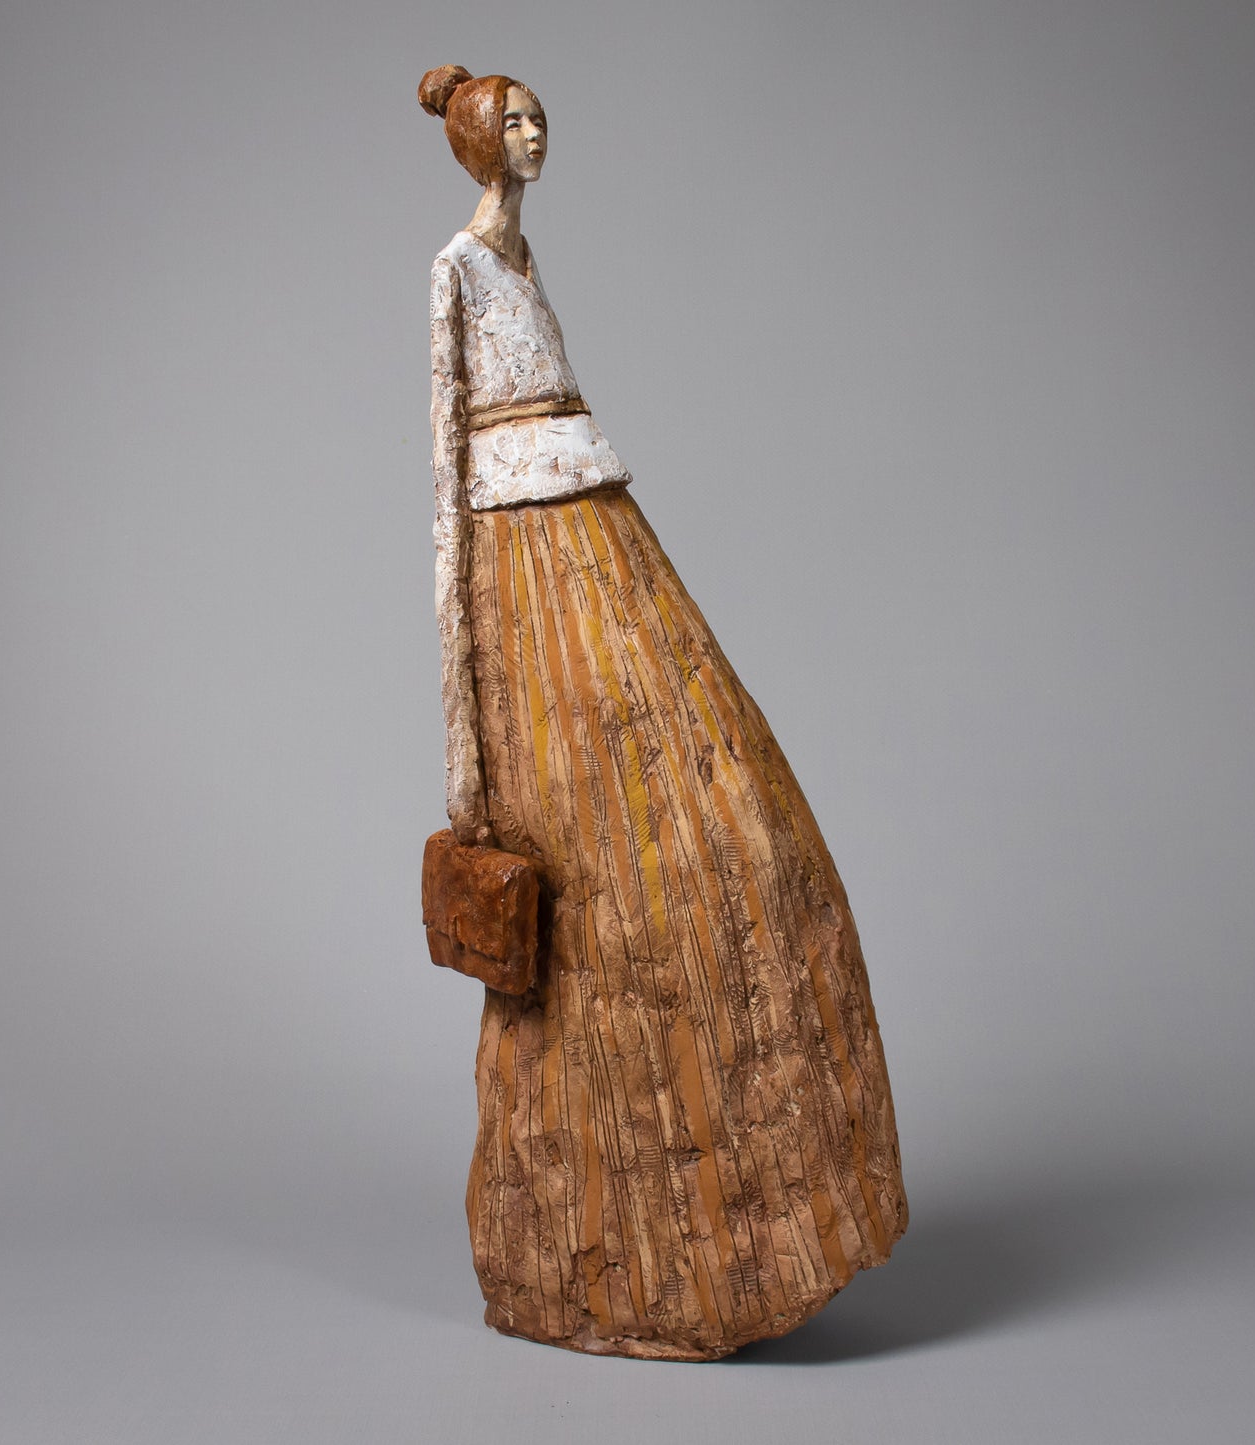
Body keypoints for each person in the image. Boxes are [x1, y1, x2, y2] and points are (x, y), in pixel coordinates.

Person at [419, 64, 907, 1360]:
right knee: (607, 867)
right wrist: (467, 723)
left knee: (734, 833)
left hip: (594, 531)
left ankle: (741, 1224)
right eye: (512, 122)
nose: (532, 136)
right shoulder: (458, 269)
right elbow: (445, 466)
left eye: (538, 119)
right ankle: (589, 1247)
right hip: (527, 572)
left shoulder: (522, 262)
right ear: (475, 141)